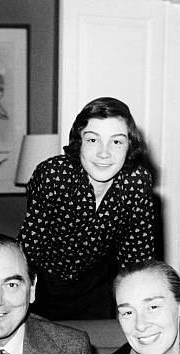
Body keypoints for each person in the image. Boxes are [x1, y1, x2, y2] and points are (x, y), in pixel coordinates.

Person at [18, 96, 156, 320]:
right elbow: (29, 247)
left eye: (117, 142)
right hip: (43, 289)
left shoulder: (137, 182)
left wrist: (141, 312)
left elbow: (137, 260)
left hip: (98, 289)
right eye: (93, 140)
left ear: (129, 146)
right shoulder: (53, 175)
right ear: (79, 142)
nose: (104, 153)